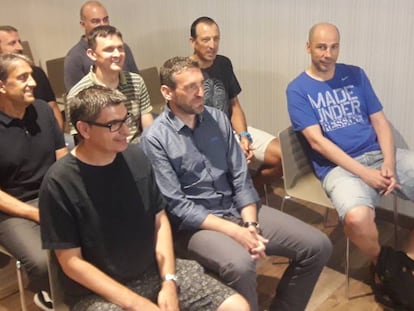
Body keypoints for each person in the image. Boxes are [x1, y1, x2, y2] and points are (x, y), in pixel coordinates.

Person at [141, 56, 332, 311]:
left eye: (202, 84)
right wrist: (236, 232)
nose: (201, 93)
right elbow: (177, 206)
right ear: (167, 92)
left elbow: (240, 177)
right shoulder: (155, 138)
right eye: (191, 87)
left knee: (318, 246)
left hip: (236, 209)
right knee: (241, 264)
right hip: (196, 227)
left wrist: (250, 224)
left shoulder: (218, 119)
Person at [39, 85, 249, 311]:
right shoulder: (59, 182)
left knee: (237, 306)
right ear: (84, 129)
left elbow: (160, 222)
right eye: (113, 125)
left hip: (154, 272)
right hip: (98, 292)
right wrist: (137, 303)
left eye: (126, 119)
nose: (126, 130)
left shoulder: (136, 157)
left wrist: (169, 280)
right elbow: (71, 263)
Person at [286, 22, 414, 309]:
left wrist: (389, 164)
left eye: (334, 46)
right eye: (321, 47)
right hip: (338, 168)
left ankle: (404, 262)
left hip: (378, 156)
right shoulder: (298, 90)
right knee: (356, 219)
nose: (328, 54)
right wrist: (365, 174)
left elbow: (379, 120)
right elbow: (318, 143)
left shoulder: (355, 75)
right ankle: (384, 263)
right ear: (308, 47)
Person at [0, 53, 67, 310]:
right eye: (23, 77)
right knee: (42, 262)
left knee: (100, 230)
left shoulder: (41, 110)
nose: (33, 83)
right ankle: (49, 295)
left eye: (32, 75)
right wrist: (35, 213)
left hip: (52, 194)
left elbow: (62, 158)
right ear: (2, 85)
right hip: (12, 208)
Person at [189, 16, 283, 192]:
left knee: (283, 156)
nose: (212, 45)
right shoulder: (185, 72)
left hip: (231, 131)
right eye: (205, 39)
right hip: (204, 139)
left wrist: (244, 137)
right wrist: (230, 145)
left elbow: (234, 105)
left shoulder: (223, 63)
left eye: (216, 38)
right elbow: (186, 123)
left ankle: (248, 191)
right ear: (192, 42)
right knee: (230, 162)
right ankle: (238, 195)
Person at [67, 25, 153, 143]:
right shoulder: (78, 93)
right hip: (102, 155)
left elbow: (148, 125)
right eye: (109, 49)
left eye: (120, 48)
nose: (117, 54)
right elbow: (82, 141)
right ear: (92, 54)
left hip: (137, 149)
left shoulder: (136, 81)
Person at [64, 0, 139, 91]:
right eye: (96, 21)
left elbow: (136, 84)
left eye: (105, 19)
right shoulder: (74, 58)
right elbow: (76, 98)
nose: (102, 25)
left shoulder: (122, 48)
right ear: (83, 25)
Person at [0, 25, 64, 130]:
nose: (20, 47)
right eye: (12, 43)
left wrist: (58, 137)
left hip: (46, 132)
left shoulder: (37, 73)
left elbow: (53, 107)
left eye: (19, 42)